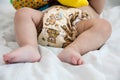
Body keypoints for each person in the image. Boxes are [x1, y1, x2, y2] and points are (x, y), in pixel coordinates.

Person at [3, 0, 111, 65]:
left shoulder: (89, 6)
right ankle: (30, 46)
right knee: (23, 13)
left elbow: (98, 8)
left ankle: (74, 49)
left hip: (78, 25)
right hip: (46, 20)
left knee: (104, 26)